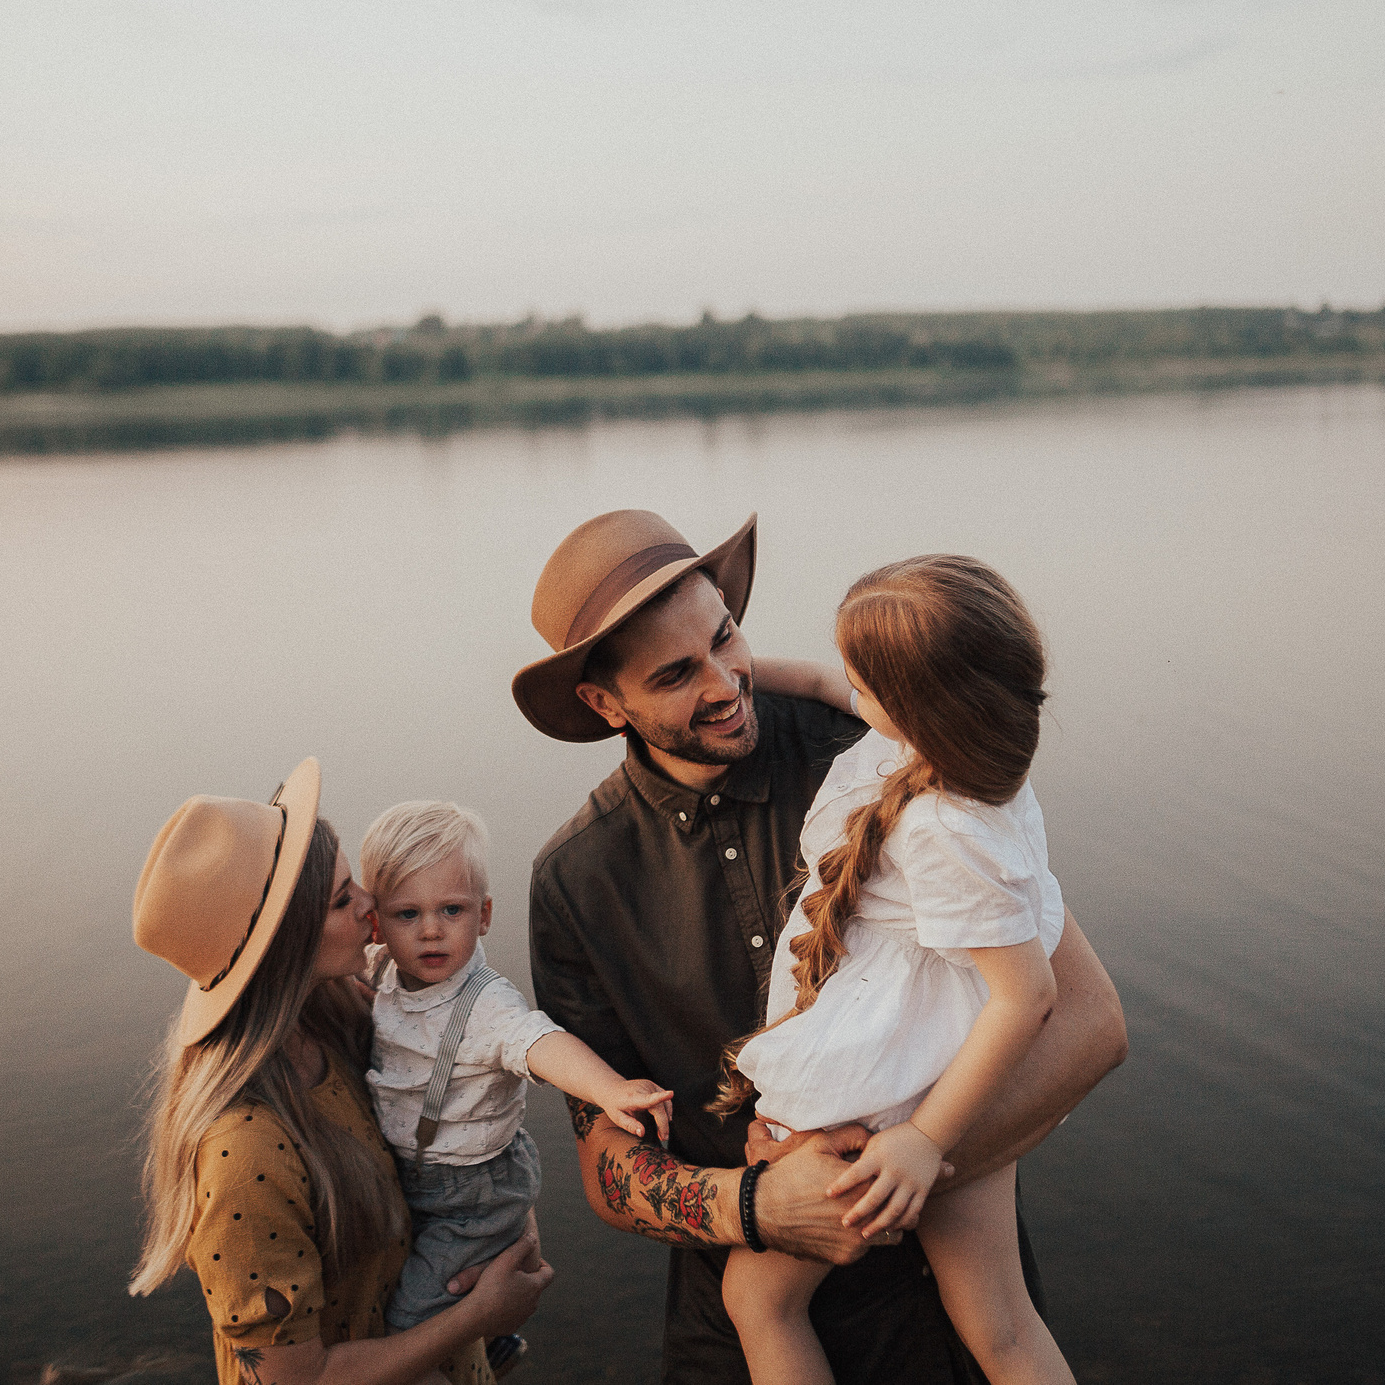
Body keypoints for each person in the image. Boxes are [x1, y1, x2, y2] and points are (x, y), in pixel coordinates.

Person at [515, 511, 1127, 1384]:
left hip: (939, 1325)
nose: (726, 683)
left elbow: (1090, 1021)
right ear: (605, 704)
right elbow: (607, 1164)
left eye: (726, 636)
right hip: (740, 1343)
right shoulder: (575, 884)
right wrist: (758, 1205)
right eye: (676, 674)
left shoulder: (881, 742)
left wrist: (905, 1162)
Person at [715, 555, 1075, 1384]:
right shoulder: (943, 744)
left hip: (885, 1086)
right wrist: (736, 672)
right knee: (1001, 1322)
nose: (843, 685)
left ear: (911, 704)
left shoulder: (943, 828)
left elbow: (1029, 995)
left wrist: (921, 1139)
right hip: (949, 1062)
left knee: (758, 1299)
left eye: (861, 681)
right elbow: (816, 680)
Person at [127, 759, 553, 1385]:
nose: (370, 904)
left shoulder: (348, 1016)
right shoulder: (243, 1155)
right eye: (342, 898)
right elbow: (295, 1379)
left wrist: (503, 1230)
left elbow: (459, 1126)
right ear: (287, 942)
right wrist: (480, 1314)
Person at [357, 799, 675, 1345]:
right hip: (412, 1170)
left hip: (470, 1192)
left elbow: (538, 1042)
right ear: (376, 924)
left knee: (409, 1318)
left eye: (452, 911)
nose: (431, 931)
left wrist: (609, 1088)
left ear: (484, 915)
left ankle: (483, 1340)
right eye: (407, 914)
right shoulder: (380, 969)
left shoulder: (485, 1004)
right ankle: (496, 1344)